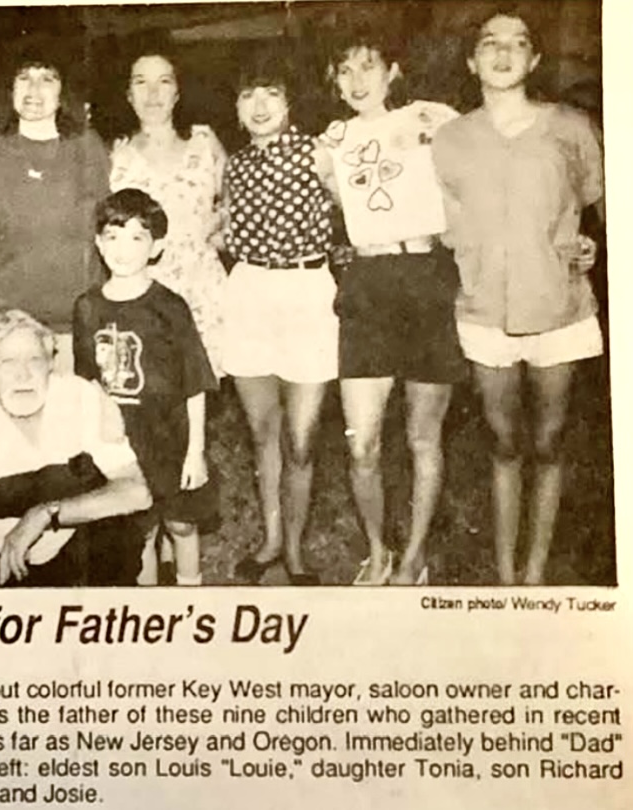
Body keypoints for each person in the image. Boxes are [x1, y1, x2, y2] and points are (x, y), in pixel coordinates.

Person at [433, 11, 604, 585]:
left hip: (559, 310)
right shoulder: (449, 139)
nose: (503, 53)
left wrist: (590, 248)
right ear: (471, 60)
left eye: (518, 44)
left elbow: (599, 207)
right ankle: (507, 576)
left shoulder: (571, 127)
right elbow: (437, 223)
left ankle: (534, 574)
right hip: (483, 314)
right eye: (489, 43)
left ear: (534, 60)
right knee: (504, 443)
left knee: (550, 441)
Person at [318, 30, 467, 585]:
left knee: (423, 436)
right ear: (334, 82)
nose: (357, 81)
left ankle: (414, 558)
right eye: (345, 71)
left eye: (368, 66)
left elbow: (481, 168)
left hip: (426, 276)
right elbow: (335, 205)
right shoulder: (330, 141)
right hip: (367, 282)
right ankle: (377, 551)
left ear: (392, 71)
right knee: (363, 442)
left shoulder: (432, 118)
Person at [0, 309, 152, 587]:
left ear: (50, 365)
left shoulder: (81, 398)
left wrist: (46, 515)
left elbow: (138, 493)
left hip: (67, 547)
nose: (23, 375)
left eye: (34, 360)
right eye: (8, 362)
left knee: (121, 536)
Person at [222, 52, 338, 586]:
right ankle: (272, 542)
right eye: (248, 95)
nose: (259, 105)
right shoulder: (235, 163)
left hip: (307, 291)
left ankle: (296, 550)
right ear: (237, 108)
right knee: (262, 431)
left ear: (290, 102)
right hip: (248, 290)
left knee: (302, 438)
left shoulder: (321, 152)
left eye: (270, 93)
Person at [73, 189, 218, 586]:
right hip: (121, 440)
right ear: (99, 244)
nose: (124, 248)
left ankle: (189, 594)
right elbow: (87, 381)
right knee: (140, 529)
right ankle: (147, 610)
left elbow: (195, 383)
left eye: (137, 237)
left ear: (156, 247)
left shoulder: (169, 307)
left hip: (169, 435)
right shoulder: (87, 307)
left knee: (181, 525)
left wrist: (195, 453)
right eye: (114, 236)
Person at [0, 44, 111, 374]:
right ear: (9, 87)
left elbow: (105, 225)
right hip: (8, 322)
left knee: (75, 419)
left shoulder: (88, 146)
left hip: (76, 321)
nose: (34, 89)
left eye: (47, 78)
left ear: (64, 91)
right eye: (24, 77)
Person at [109, 48, 228, 375]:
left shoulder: (205, 145)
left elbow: (236, 203)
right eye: (141, 82)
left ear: (177, 92)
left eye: (163, 81)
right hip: (142, 291)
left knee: (199, 403)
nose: (152, 93)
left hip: (202, 290)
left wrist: (217, 229)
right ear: (129, 95)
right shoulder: (116, 156)